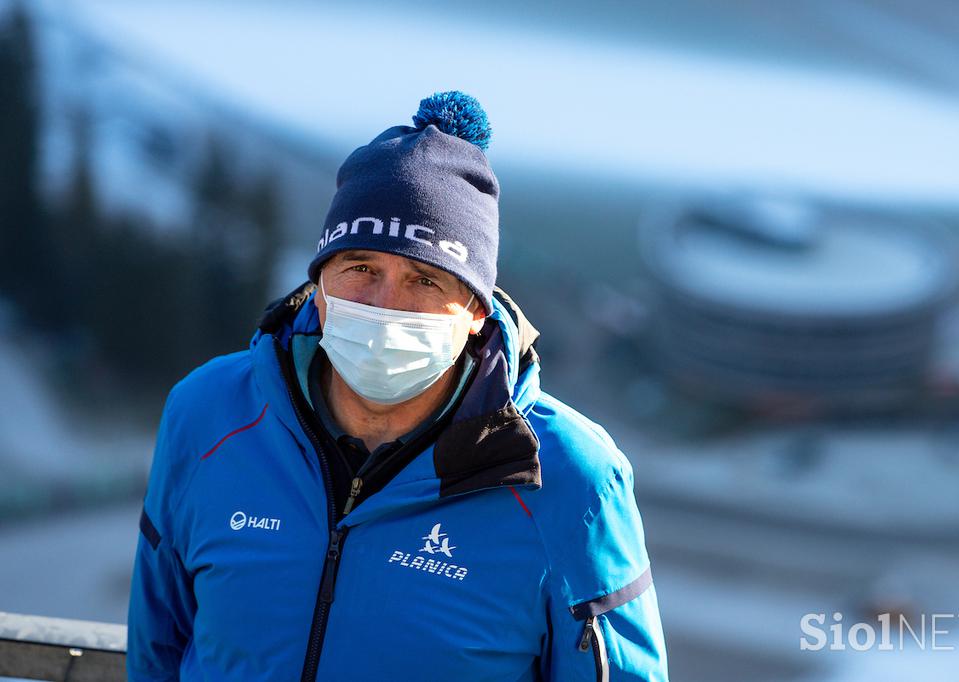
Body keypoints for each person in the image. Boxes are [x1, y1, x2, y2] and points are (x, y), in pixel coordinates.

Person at [126, 91, 669, 681]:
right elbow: (158, 650)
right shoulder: (208, 415)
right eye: (360, 267)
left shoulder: (568, 477)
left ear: (477, 313)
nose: (386, 306)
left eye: (424, 280)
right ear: (318, 285)